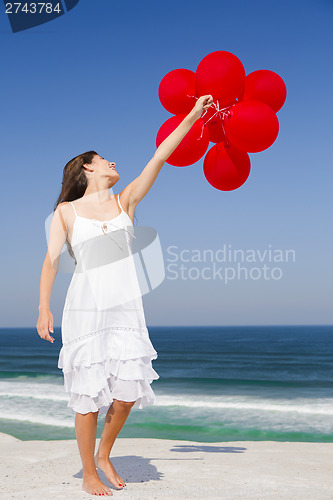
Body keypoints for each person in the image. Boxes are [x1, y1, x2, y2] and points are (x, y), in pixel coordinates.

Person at [36, 94, 213, 496]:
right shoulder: (65, 211)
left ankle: (104, 453)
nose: (113, 162)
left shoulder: (124, 202)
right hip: (85, 307)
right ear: (88, 166)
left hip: (125, 308)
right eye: (105, 159)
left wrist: (191, 116)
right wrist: (43, 306)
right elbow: (50, 262)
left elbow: (160, 157)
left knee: (127, 391)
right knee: (86, 397)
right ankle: (89, 471)